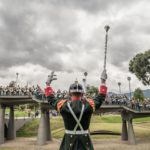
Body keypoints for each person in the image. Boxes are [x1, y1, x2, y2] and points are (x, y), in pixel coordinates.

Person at [45, 79, 107, 150]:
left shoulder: (63, 106)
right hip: (85, 142)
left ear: (69, 94)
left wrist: (47, 85)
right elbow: (100, 98)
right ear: (82, 94)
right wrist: (103, 82)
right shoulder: (89, 105)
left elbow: (51, 99)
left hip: (68, 141)